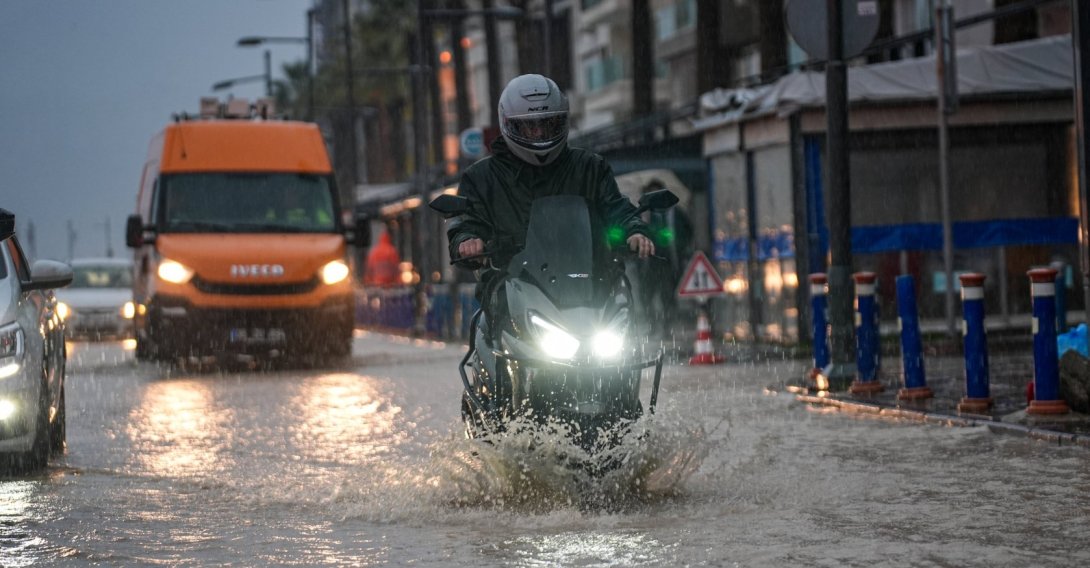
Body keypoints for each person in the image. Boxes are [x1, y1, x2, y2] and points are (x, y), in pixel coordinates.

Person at [446, 74, 655, 336]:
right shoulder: (481, 178)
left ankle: (623, 375)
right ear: (508, 125)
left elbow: (615, 207)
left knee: (623, 344)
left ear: (562, 122)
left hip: (589, 284)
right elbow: (466, 221)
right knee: (497, 336)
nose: (539, 133)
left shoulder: (590, 167)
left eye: (548, 124)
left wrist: (635, 230)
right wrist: (468, 240)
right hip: (513, 287)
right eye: (529, 127)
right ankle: (499, 373)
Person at [636, 178, 694, 328]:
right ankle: (653, 326)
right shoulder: (642, 214)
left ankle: (667, 326)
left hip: (668, 263)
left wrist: (678, 247)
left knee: (667, 297)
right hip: (648, 264)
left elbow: (687, 233)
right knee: (646, 297)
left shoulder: (675, 213)